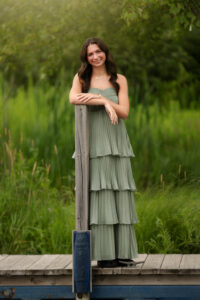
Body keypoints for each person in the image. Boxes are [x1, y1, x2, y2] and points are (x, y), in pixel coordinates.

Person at [69, 37, 139, 268]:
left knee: (119, 190)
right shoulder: (82, 79)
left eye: (98, 51)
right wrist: (103, 101)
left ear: (106, 53)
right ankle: (105, 256)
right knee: (99, 193)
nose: (95, 56)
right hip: (94, 144)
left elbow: (125, 112)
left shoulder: (119, 80)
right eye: (90, 53)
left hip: (116, 142)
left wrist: (104, 101)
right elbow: (72, 98)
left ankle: (122, 253)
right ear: (86, 58)